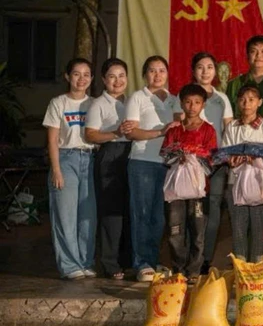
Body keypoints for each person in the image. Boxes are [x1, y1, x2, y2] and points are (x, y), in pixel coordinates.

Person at [173, 52, 233, 274]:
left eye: (210, 67)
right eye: (200, 67)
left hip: (214, 164)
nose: (205, 71)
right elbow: (177, 127)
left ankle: (204, 259)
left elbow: (228, 130)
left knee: (212, 210)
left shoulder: (222, 99)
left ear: (216, 72)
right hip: (186, 164)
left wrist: (225, 157)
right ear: (193, 70)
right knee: (187, 211)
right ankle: (185, 259)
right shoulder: (184, 95)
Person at [125, 56, 179, 282]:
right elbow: (131, 132)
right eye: (152, 71)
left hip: (167, 164)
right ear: (145, 74)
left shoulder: (175, 99)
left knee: (159, 218)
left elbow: (179, 126)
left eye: (161, 71)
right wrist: (160, 132)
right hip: (143, 162)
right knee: (143, 213)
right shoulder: (137, 97)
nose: (157, 75)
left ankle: (153, 259)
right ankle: (141, 263)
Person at [43, 58, 97, 280]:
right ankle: (69, 265)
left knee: (88, 216)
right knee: (65, 215)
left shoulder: (95, 103)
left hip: (91, 159)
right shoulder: (58, 103)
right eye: (76, 74)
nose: (81, 78)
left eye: (86, 74)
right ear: (68, 77)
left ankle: (85, 261)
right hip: (66, 159)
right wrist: (56, 170)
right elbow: (53, 140)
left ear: (92, 78)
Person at [161, 84, 217, 283]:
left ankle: (193, 271)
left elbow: (212, 159)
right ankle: (178, 269)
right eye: (188, 102)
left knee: (198, 231)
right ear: (181, 104)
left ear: (203, 104)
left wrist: (193, 156)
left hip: (198, 190)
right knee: (175, 230)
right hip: (176, 189)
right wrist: (178, 156)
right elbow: (165, 156)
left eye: (197, 102)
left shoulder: (208, 130)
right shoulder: (175, 130)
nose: (192, 106)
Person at [84, 58, 133, 280]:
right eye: (112, 76)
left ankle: (127, 260)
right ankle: (110, 263)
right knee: (111, 212)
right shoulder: (98, 104)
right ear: (104, 79)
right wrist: (116, 133)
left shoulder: (132, 100)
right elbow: (91, 134)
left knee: (128, 210)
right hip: (110, 155)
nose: (117, 80)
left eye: (121, 75)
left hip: (131, 155)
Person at [222, 85, 263, 263]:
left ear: (260, 103)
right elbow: (226, 152)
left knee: (260, 227)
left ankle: (259, 267)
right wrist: (230, 159)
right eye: (243, 99)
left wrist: (255, 156)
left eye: (251, 99)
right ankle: (240, 268)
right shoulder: (232, 127)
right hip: (235, 181)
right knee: (238, 227)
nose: (247, 103)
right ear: (237, 102)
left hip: (259, 183)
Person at [226, 36, 263, 119]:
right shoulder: (233, 85)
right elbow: (228, 118)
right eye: (253, 51)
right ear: (247, 56)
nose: (259, 55)